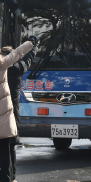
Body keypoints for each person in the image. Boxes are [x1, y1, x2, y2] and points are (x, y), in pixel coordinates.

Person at [2, 36, 39, 182]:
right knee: (10, 149)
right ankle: (12, 178)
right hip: (10, 115)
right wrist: (33, 47)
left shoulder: (4, 67)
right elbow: (25, 59)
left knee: (4, 150)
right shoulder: (16, 68)